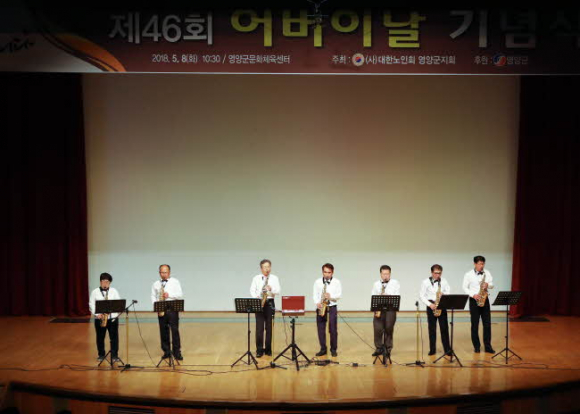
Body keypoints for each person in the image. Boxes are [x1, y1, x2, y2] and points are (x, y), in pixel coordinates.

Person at [463, 255, 495, 353]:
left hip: (485, 299)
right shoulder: (468, 274)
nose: (482, 266)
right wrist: (473, 295)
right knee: (475, 324)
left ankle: (488, 346)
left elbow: (492, 284)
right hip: (474, 300)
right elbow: (464, 287)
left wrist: (488, 285)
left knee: (487, 324)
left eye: (483, 264)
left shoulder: (487, 272)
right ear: (475, 264)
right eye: (480, 264)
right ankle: (476, 346)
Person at [151, 264, 184, 360]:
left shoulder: (175, 282)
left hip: (172, 310)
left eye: (165, 272)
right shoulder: (156, 284)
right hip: (161, 309)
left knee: (175, 331)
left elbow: (180, 294)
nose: (164, 274)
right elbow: (153, 295)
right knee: (163, 331)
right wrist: (156, 306)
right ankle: (166, 351)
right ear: (159, 273)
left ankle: (177, 352)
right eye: (162, 272)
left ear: (169, 272)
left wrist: (169, 295)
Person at [249, 259, 281, 357]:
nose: (267, 269)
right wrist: (257, 297)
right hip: (259, 302)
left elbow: (278, 290)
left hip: (270, 303)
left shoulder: (274, 278)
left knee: (269, 327)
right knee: (259, 328)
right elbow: (252, 290)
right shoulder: (256, 278)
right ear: (261, 268)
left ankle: (268, 349)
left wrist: (271, 289)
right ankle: (259, 350)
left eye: (268, 267)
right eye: (265, 267)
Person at [419, 264, 451, 356]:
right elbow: (421, 295)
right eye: (436, 273)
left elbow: (448, 291)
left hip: (441, 305)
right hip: (431, 305)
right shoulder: (425, 282)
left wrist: (443, 294)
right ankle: (432, 349)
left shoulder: (444, 281)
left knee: (444, 328)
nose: (438, 275)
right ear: (432, 272)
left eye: (439, 273)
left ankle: (447, 349)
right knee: (432, 329)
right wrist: (430, 304)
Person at [89, 272, 121, 363]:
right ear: (100, 282)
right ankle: (101, 355)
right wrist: (97, 314)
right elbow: (91, 304)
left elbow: (118, 303)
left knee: (114, 338)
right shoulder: (95, 292)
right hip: (100, 318)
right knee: (100, 337)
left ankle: (114, 355)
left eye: (107, 282)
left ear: (110, 283)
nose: (105, 284)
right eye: (103, 281)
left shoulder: (114, 291)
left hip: (112, 318)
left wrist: (115, 313)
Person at [313, 263, 342, 357]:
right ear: (322, 272)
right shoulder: (317, 282)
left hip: (332, 306)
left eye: (329, 272)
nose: (327, 274)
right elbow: (315, 294)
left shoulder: (337, 282)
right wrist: (317, 303)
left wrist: (330, 296)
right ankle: (323, 349)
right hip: (321, 306)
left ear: (332, 272)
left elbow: (339, 295)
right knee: (321, 329)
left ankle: (333, 349)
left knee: (333, 329)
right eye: (325, 272)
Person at [371, 265, 400, 357]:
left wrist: (387, 295)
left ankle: (388, 349)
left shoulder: (395, 283)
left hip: (390, 309)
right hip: (379, 309)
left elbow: (397, 294)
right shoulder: (376, 284)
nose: (385, 276)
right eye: (384, 274)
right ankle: (378, 348)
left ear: (390, 274)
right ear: (380, 274)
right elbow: (373, 295)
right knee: (377, 329)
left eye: (387, 274)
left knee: (389, 329)